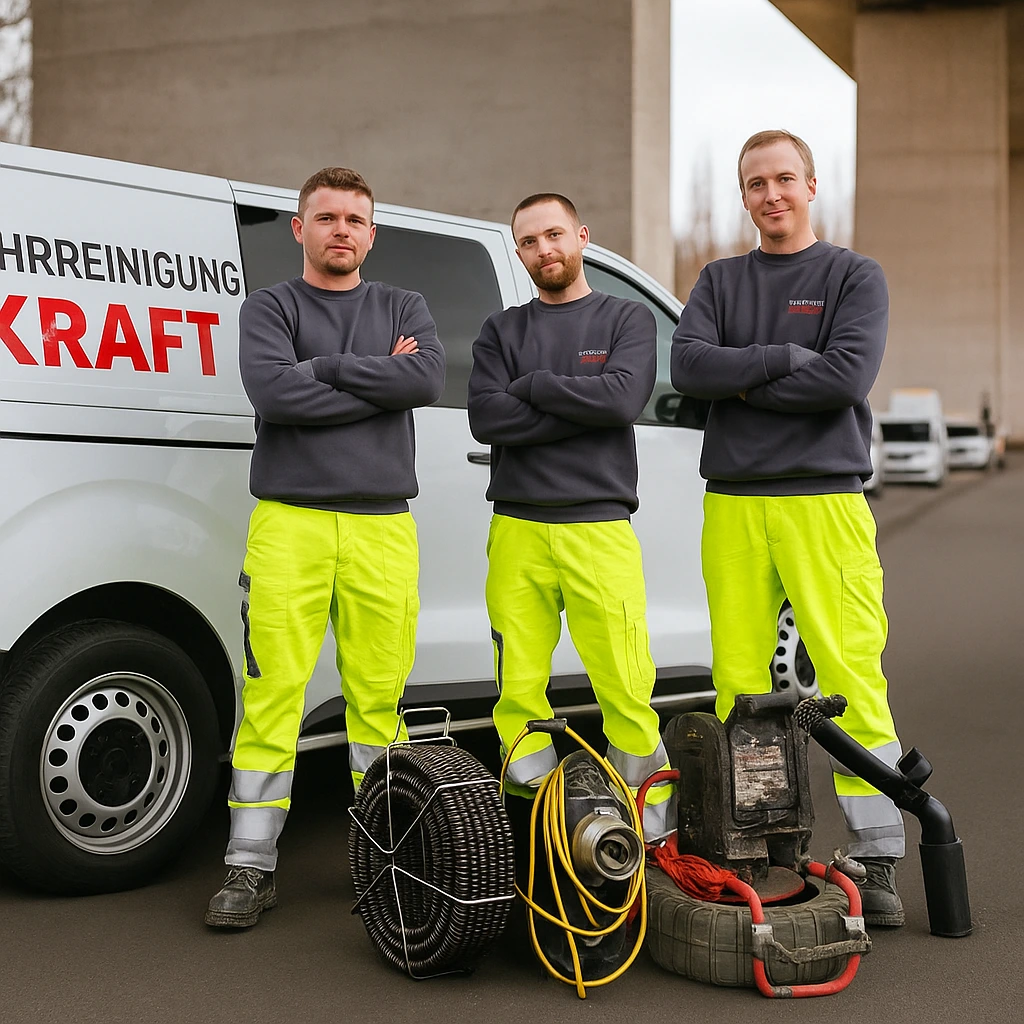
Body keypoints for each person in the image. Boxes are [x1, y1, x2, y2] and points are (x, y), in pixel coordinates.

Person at [671, 130, 906, 926]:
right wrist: (785, 359)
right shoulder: (719, 279)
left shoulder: (852, 275)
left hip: (823, 501)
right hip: (734, 504)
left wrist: (745, 373)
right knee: (742, 685)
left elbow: (846, 376)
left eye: (783, 179)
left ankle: (876, 857)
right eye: (754, 183)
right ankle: (760, 842)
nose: (770, 194)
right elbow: (690, 370)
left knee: (847, 673)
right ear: (743, 196)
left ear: (810, 185)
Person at [205, 167, 445, 928]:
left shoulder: (404, 304)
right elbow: (276, 395)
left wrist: (329, 370)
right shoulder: (271, 306)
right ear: (298, 229)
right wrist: (379, 377)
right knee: (275, 693)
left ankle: (386, 860)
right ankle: (249, 866)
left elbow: (427, 377)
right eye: (327, 217)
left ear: (371, 234)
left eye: (355, 219)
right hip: (290, 523)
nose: (341, 229)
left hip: (381, 527)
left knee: (379, 702)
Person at [467, 193, 674, 844]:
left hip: (598, 529)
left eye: (554, 235)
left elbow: (620, 401)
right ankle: (538, 831)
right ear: (520, 251)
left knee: (625, 688)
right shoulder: (502, 331)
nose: (543, 250)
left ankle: (651, 839)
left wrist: (530, 386)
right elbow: (485, 417)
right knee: (518, 694)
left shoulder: (626, 320)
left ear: (581, 235)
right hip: (518, 531)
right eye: (528, 241)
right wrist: (574, 402)